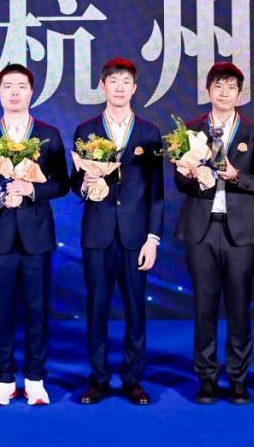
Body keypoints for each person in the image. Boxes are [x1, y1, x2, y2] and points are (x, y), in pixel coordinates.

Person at [0, 63, 68, 406]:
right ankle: (4, 378)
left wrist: (32, 190)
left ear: (31, 92)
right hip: (0, 237)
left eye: (21, 86)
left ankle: (36, 378)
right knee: (1, 309)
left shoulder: (48, 134)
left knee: (37, 308)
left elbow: (62, 184)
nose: (14, 92)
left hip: (36, 236)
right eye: (8, 86)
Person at [173, 62, 254, 405]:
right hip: (201, 229)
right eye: (218, 86)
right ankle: (207, 378)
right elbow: (178, 181)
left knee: (239, 307)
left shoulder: (253, 132)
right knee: (204, 306)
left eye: (231, 88)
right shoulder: (191, 130)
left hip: (239, 233)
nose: (224, 93)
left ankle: (239, 379)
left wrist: (234, 176)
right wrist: (195, 176)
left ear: (239, 94)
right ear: (208, 91)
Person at [71, 58, 164, 406]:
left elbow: (156, 191)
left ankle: (132, 379)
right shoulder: (86, 130)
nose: (120, 87)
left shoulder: (149, 132)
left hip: (135, 237)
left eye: (126, 82)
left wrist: (152, 238)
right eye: (113, 81)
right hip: (97, 233)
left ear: (134, 89)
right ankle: (98, 379)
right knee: (96, 307)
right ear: (103, 86)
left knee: (135, 309)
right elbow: (73, 182)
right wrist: (86, 182)